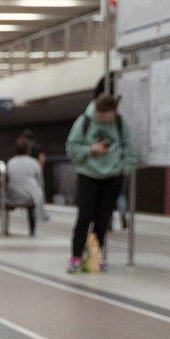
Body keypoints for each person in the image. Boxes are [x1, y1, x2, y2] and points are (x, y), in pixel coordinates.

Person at [65, 94, 136, 273]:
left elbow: (129, 148)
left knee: (103, 219)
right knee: (84, 216)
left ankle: (95, 256)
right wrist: (90, 149)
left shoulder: (120, 124)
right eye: (101, 115)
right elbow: (71, 148)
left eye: (108, 116)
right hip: (88, 175)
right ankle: (76, 256)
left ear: (113, 112)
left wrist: (124, 168)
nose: (104, 119)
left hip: (112, 176)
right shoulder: (84, 122)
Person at [6, 137, 45, 235]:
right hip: (30, 195)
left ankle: (5, 227)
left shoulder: (10, 162)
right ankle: (32, 230)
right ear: (28, 150)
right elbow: (40, 181)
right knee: (35, 194)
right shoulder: (34, 162)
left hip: (13, 195)